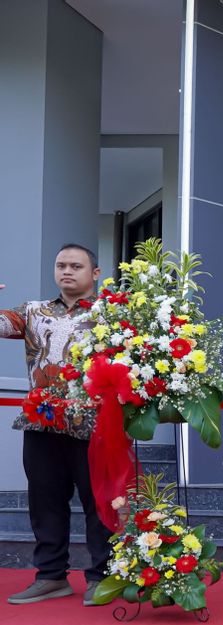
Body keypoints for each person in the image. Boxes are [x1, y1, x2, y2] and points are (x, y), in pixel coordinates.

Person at [2, 244, 111, 606]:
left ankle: (101, 577)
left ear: (95, 273)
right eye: (61, 265)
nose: (67, 271)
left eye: (76, 266)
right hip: (41, 421)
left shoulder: (113, 313)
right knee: (44, 500)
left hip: (94, 422)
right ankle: (51, 576)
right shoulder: (34, 311)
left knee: (99, 503)